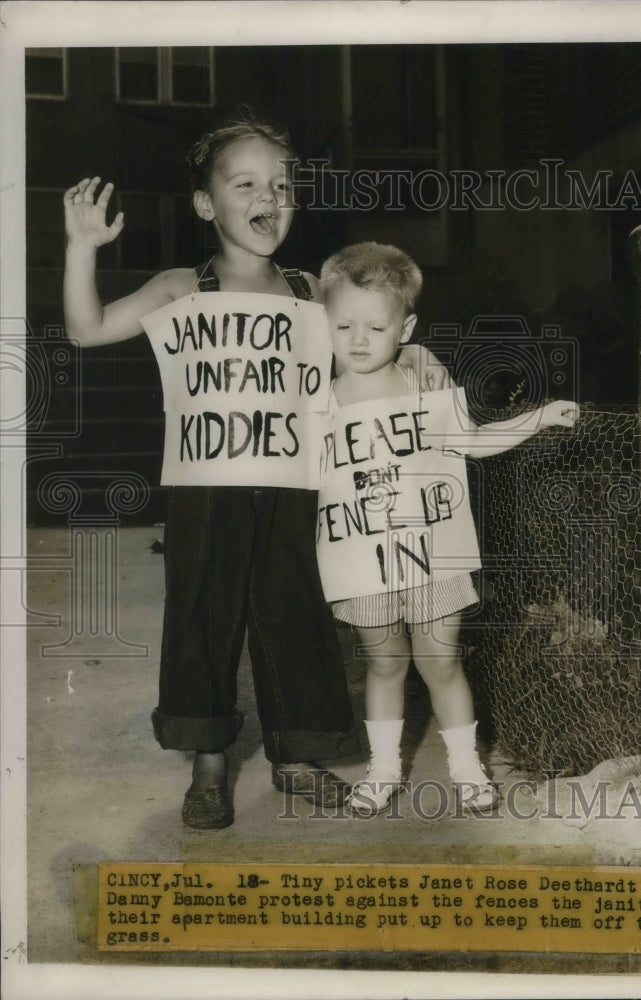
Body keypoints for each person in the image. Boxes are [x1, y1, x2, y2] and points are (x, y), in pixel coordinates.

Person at [62, 109, 447, 829]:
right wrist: (82, 248)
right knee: (203, 620)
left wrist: (417, 362)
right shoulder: (183, 287)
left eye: (281, 184)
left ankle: (296, 754)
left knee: (293, 617)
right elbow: (86, 331)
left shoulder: (311, 292)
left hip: (297, 485)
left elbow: (371, 343)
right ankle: (209, 762)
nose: (267, 197)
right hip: (202, 490)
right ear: (206, 204)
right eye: (245, 184)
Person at [318, 242, 579, 816]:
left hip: (432, 552)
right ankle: (384, 768)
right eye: (343, 325)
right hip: (364, 559)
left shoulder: (424, 386)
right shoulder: (317, 401)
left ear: (405, 328)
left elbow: (473, 444)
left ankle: (467, 768)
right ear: (323, 324)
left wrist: (537, 417)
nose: (358, 338)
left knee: (441, 661)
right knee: (383, 664)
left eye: (376, 326)